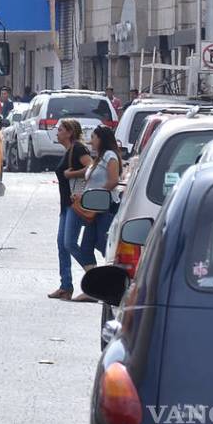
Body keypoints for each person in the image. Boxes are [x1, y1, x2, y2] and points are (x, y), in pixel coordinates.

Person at [51, 118, 93, 301]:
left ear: (69, 132)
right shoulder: (69, 151)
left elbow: (91, 168)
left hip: (75, 204)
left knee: (69, 243)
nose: (57, 133)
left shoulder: (78, 149)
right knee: (62, 244)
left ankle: (95, 276)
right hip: (66, 205)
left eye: (60, 130)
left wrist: (71, 174)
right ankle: (65, 286)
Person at [84, 124, 123, 262]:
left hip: (105, 207)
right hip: (93, 208)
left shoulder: (109, 156)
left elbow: (113, 181)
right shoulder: (99, 157)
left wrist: (97, 195)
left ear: (101, 139)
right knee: (86, 247)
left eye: (93, 137)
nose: (91, 141)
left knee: (104, 244)